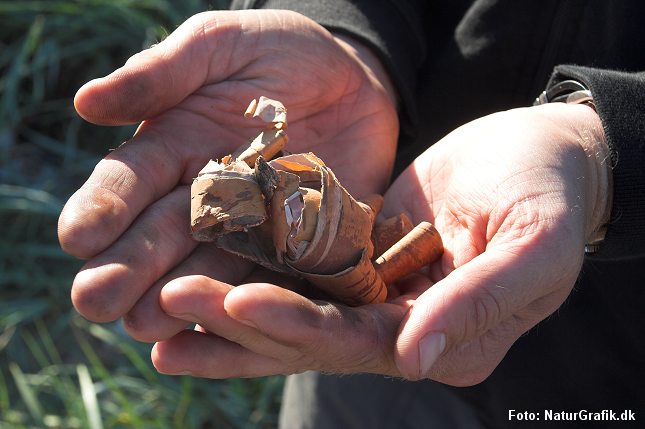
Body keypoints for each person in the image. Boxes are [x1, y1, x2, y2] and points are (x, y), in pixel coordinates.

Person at [58, 0, 645, 427]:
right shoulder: (268, 199)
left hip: (604, 383)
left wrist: (608, 151)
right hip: (371, 332)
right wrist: (338, 25)